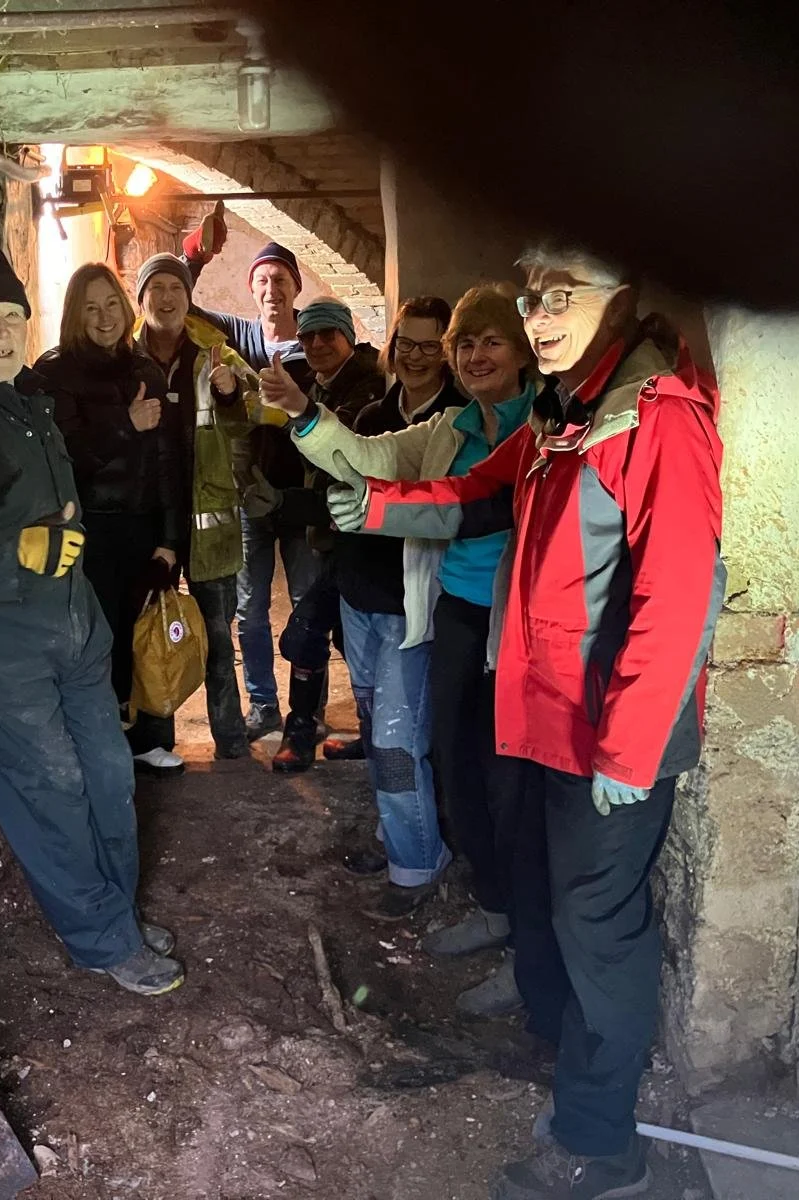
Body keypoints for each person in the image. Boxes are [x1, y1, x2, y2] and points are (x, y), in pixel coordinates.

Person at [329, 243, 725, 1200]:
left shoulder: (655, 417)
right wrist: (379, 505)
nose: (539, 318)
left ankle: (603, 1148)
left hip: (611, 736)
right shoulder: (563, 410)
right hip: (548, 711)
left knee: (597, 924)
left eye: (561, 297)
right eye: (532, 299)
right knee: (552, 900)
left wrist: (630, 748)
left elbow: (680, 594)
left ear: (619, 296)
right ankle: (564, 1066)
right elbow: (477, 491)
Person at [0, 238, 184, 996]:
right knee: (51, 790)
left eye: (10, 316)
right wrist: (15, 549)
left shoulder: (26, 404)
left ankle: (116, 913)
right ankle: (102, 940)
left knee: (109, 774)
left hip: (72, 630)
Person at [270, 286, 538, 1004]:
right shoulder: (449, 429)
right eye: (465, 344)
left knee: (513, 789)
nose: (475, 356)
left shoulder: (542, 426)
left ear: (520, 351)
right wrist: (302, 413)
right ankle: (494, 908)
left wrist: (377, 511)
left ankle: (529, 951)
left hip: (521, 623)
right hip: (456, 612)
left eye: (490, 342)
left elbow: (467, 508)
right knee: (459, 768)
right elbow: (366, 455)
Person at [261, 296, 465, 920]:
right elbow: (344, 479)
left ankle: (417, 863)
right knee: (379, 733)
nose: (416, 356)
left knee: (400, 741)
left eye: (431, 345)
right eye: (407, 343)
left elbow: (435, 510)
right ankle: (401, 835)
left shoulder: (457, 424)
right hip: (362, 596)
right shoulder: (377, 414)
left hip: (411, 608)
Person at [35, 263, 188, 778]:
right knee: (94, 641)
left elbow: (166, 461)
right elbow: (63, 459)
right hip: (87, 531)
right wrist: (124, 425)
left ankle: (147, 739)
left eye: (110, 305)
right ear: (74, 315)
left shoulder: (145, 370)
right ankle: (98, 743)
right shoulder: (54, 373)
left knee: (145, 637)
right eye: (90, 308)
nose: (104, 318)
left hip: (140, 527)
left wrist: (169, 540)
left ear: (125, 309)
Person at [132, 252, 282, 760]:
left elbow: (256, 412)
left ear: (189, 296)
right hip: (147, 520)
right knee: (150, 632)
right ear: (141, 298)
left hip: (207, 518)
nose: (167, 298)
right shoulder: (125, 357)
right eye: (156, 288)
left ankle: (231, 740)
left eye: (176, 287)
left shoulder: (215, 352)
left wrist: (230, 393)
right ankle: (156, 742)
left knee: (218, 636)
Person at [181, 221, 321, 740]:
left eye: (280, 279)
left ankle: (308, 708)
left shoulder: (316, 338)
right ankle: (264, 705)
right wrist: (194, 256)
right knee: (250, 609)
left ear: (296, 287)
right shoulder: (237, 335)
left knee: (307, 604)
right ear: (251, 289)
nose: (271, 289)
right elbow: (182, 307)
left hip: (301, 497)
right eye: (262, 280)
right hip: (247, 495)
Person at [249, 298, 385, 773]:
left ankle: (311, 730)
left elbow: (342, 460)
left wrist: (286, 502)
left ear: (349, 335)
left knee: (321, 632)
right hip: (335, 535)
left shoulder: (369, 388)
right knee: (335, 635)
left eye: (328, 334)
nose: (317, 344)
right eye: (307, 336)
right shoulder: (318, 384)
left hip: (367, 538)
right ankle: (334, 730)